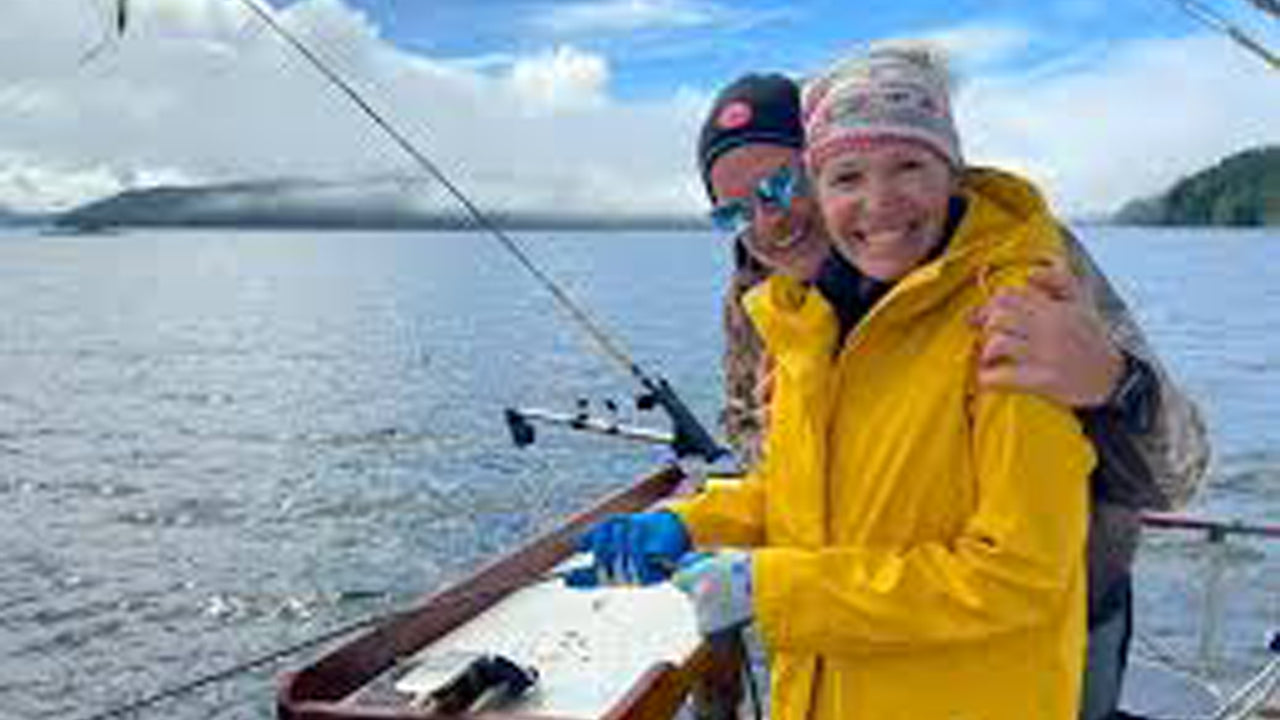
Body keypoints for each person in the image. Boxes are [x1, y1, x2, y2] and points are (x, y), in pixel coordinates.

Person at [572, 43, 1192, 719]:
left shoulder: (1020, 292)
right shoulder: (783, 307)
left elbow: (1153, 486)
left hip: (1042, 628)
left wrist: (1115, 383)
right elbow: (800, 485)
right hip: (842, 649)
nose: (769, 223)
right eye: (736, 213)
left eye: (781, 186)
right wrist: (686, 522)